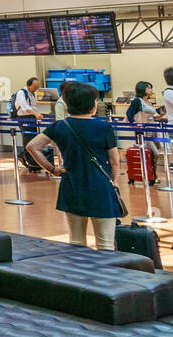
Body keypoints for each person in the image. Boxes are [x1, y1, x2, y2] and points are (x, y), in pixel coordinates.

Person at [26, 82, 123, 250]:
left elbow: (32, 147)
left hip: (72, 185)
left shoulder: (60, 126)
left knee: (76, 243)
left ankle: (78, 275)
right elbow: (115, 160)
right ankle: (106, 276)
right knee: (105, 244)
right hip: (100, 187)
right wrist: (114, 180)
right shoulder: (103, 127)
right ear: (92, 105)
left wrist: (53, 169)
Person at [12, 77, 46, 171]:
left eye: (37, 87)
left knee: (33, 140)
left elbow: (33, 106)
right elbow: (25, 107)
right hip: (24, 118)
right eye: (35, 87)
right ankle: (28, 161)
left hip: (31, 118)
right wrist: (36, 114)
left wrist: (37, 115)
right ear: (29, 85)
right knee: (28, 140)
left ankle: (25, 157)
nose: (36, 89)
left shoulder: (31, 93)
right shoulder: (21, 93)